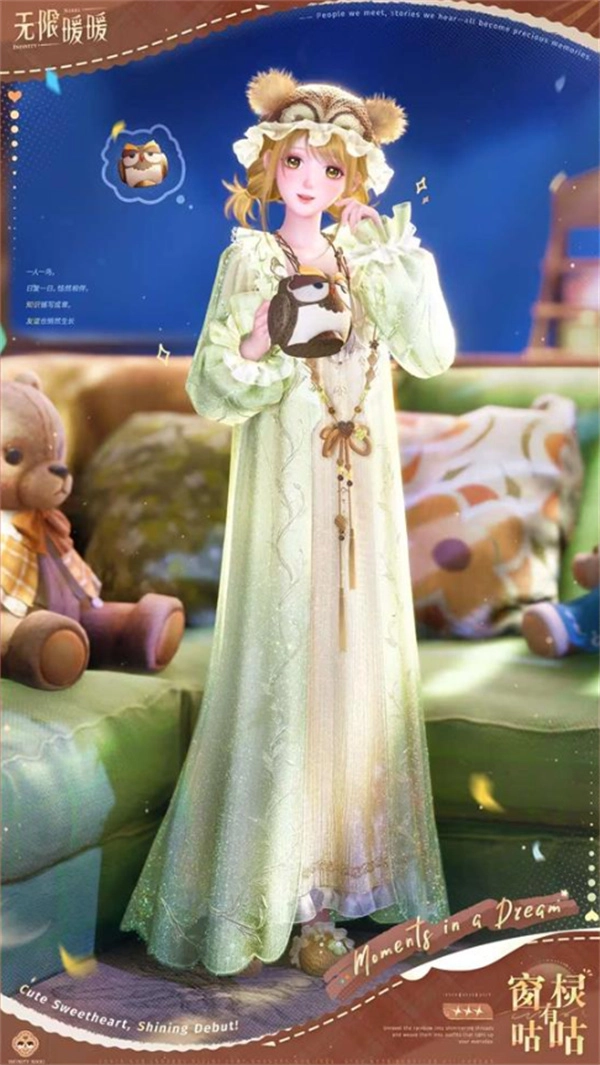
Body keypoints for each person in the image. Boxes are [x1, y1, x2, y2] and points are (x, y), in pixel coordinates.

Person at [121, 69, 456, 977]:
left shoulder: (370, 261)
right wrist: (263, 338)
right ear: (270, 166)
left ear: (355, 180)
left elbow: (431, 352)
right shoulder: (252, 261)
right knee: (290, 672)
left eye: (331, 169)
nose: (310, 181)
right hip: (289, 498)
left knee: (355, 674)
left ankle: (347, 887)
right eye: (297, 162)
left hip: (361, 506)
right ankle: (291, 899)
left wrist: (396, 261)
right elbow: (214, 387)